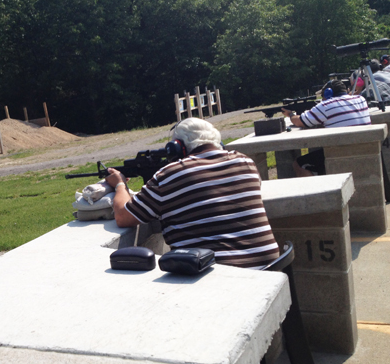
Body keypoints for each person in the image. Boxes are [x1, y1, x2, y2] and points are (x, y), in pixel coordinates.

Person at [104, 118, 280, 269]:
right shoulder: (246, 162)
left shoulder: (170, 175)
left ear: (177, 147)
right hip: (268, 269)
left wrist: (119, 183)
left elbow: (123, 216)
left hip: (216, 277)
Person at [281, 79, 370, 177]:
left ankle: (317, 191)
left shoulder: (326, 105)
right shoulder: (361, 99)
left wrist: (290, 114)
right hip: (365, 150)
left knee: (299, 164)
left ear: (328, 93)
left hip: (340, 154)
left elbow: (299, 122)